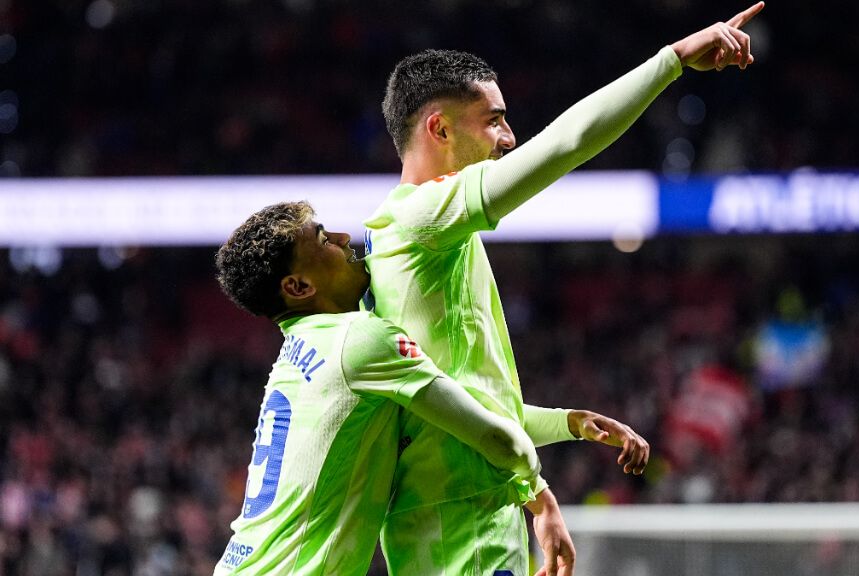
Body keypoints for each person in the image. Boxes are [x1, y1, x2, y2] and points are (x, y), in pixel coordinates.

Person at [366, 3, 764, 575]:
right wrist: (673, 60)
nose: (509, 138)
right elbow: (565, 144)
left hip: (471, 517)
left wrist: (569, 423)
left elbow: (466, 403)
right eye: (494, 120)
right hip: (458, 532)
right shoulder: (421, 218)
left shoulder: (434, 239)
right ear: (440, 128)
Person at [211, 200, 546, 575]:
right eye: (323, 240)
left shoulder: (297, 355)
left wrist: (568, 424)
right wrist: (539, 493)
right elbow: (493, 437)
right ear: (299, 286)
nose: (343, 237)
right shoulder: (357, 339)